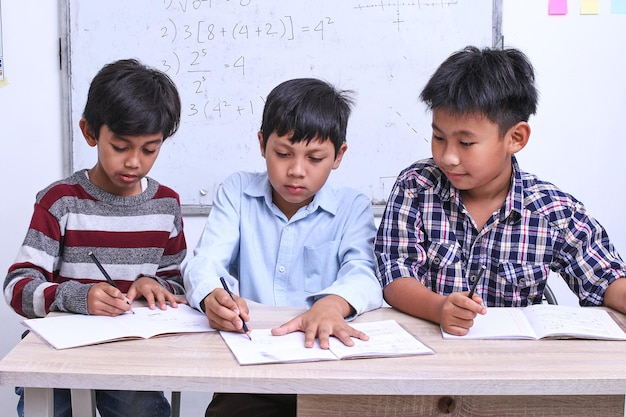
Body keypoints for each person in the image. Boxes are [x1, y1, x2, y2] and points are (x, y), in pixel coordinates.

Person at [375, 45, 626, 336]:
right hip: (432, 355)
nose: (447, 157)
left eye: (466, 143)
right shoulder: (416, 187)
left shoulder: (553, 211)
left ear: (515, 138)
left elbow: (607, 279)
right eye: (438, 137)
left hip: (514, 365)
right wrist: (439, 308)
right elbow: (395, 274)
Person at [183, 77, 383, 416]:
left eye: (315, 158)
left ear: (339, 155)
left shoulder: (353, 206)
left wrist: (332, 305)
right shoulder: (238, 192)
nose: (296, 171)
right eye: (283, 153)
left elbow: (364, 273)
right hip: (251, 370)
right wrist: (211, 296)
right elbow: (205, 262)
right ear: (262, 144)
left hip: (326, 370)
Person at [4, 59, 187, 417]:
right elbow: (18, 288)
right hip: (58, 355)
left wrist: (158, 285)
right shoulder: (60, 202)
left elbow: (179, 284)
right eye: (120, 147)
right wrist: (77, 296)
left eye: (149, 149)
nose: (134, 162)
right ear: (90, 133)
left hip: (131, 358)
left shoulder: (166, 205)